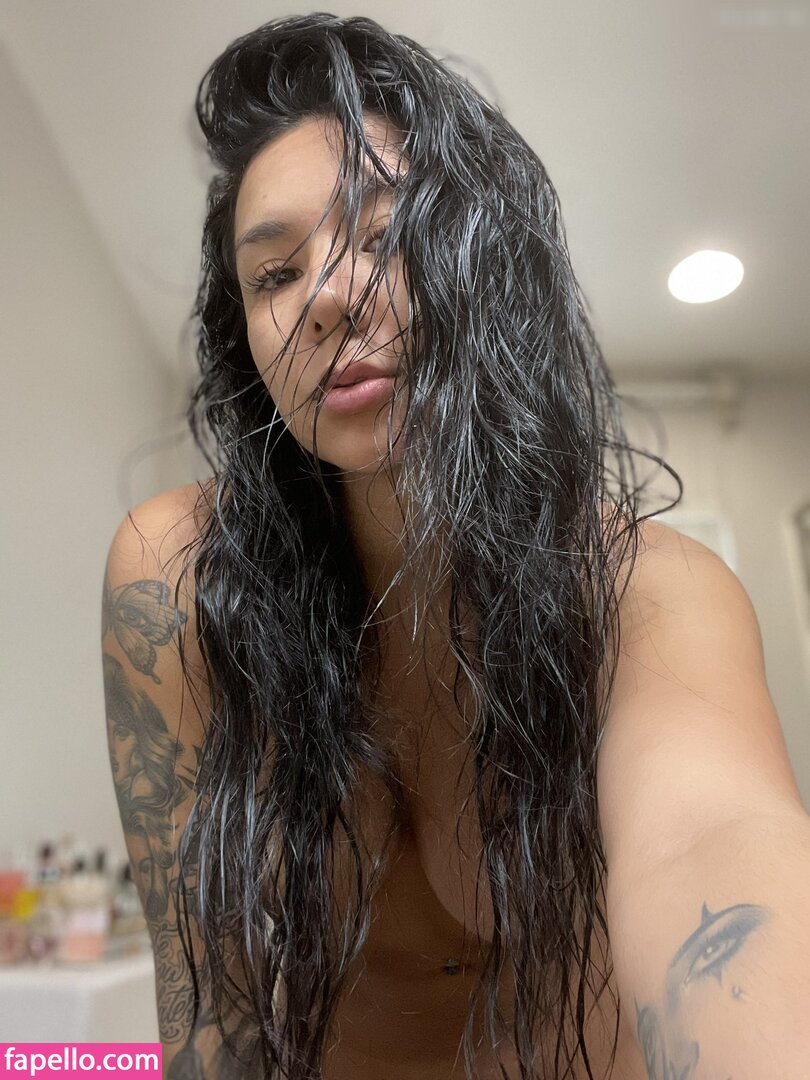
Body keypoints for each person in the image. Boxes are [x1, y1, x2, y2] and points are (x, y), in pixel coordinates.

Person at [101, 13, 688, 1079]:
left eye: (382, 235)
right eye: (273, 275)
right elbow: (205, 998)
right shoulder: (180, 574)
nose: (325, 297)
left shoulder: (644, 589)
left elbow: (721, 852)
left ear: (486, 267)